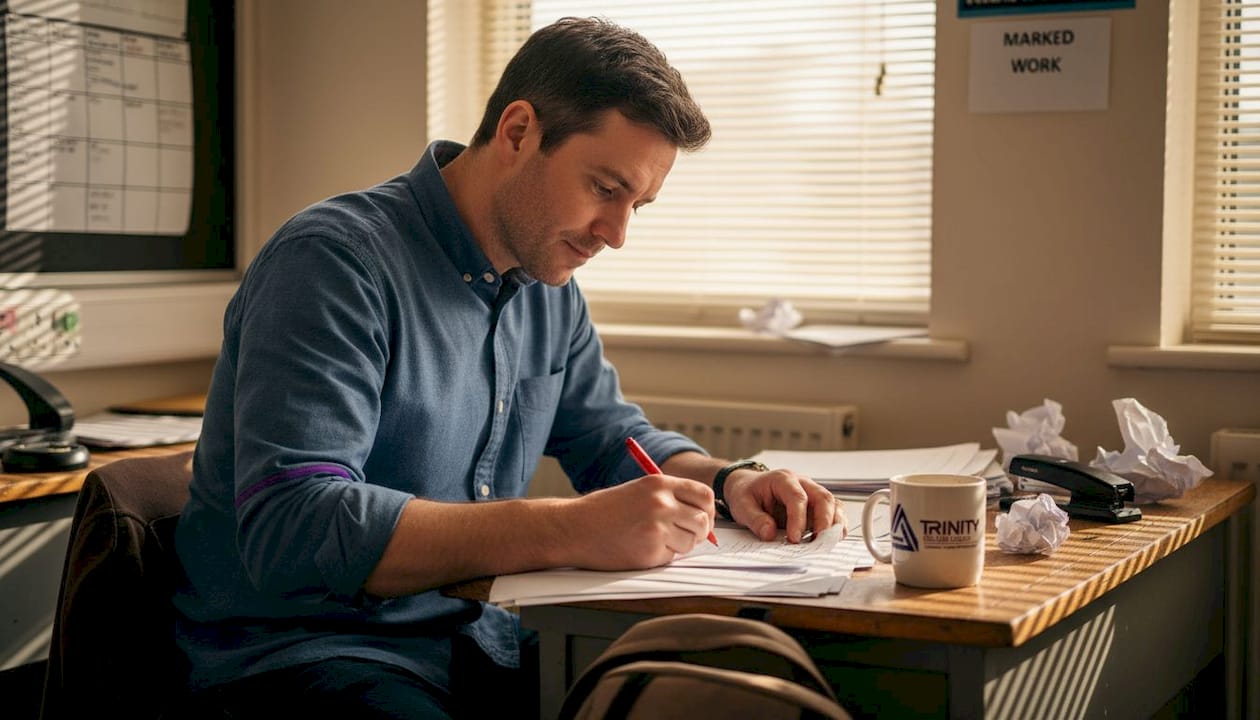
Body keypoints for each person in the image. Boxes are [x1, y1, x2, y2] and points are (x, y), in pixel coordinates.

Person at [173, 15, 842, 719]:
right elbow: (296, 528)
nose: (616, 235)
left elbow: (613, 441)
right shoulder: (333, 263)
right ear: (519, 132)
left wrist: (732, 481)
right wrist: (568, 526)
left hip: (480, 646)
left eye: (637, 206)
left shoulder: (548, 290)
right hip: (309, 660)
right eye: (605, 188)